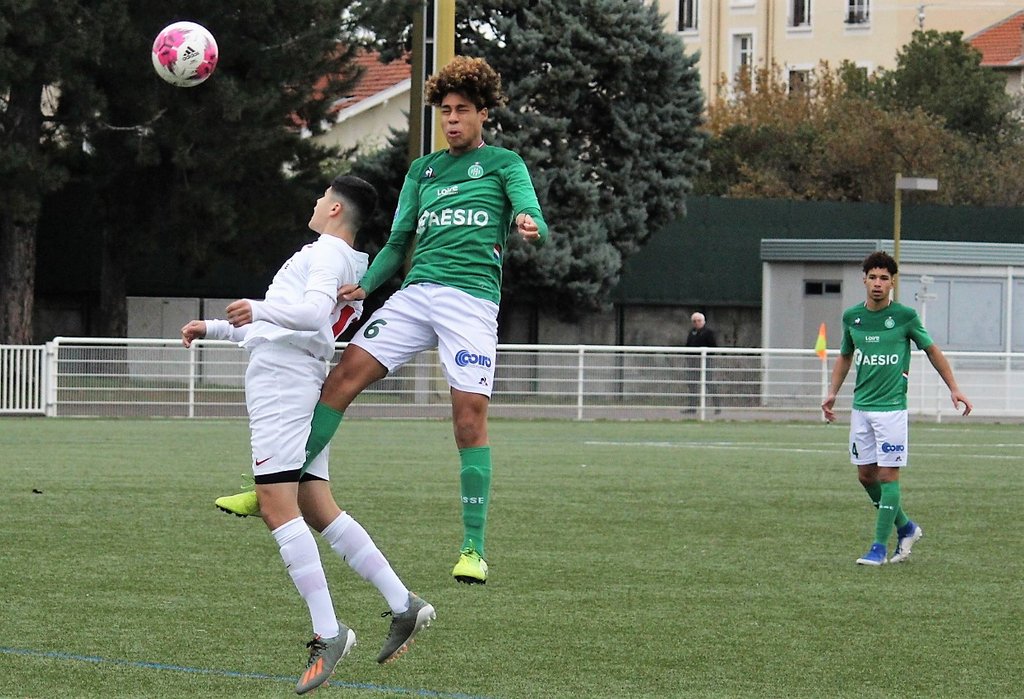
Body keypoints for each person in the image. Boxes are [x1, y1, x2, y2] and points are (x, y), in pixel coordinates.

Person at [215, 55, 549, 585]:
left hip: (471, 302)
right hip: (416, 295)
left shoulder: (505, 165)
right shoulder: (424, 172)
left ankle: (474, 549)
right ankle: (269, 488)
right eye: (446, 111)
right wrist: (367, 286)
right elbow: (398, 244)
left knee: (468, 418)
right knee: (342, 377)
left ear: (483, 113)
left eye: (463, 110)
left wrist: (530, 222)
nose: (453, 119)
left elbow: (532, 211)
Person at [181, 175, 434, 694]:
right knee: (317, 506)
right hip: (294, 374)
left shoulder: (326, 254)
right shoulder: (339, 262)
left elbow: (308, 316)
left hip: (282, 383)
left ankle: (328, 631)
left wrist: (259, 308)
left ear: (336, 208)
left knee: (276, 504)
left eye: (322, 197)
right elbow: (292, 325)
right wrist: (216, 328)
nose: (316, 202)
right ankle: (403, 603)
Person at [821, 251, 972, 566]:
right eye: (873, 277)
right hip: (861, 408)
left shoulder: (905, 317)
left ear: (892, 283)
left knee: (888, 476)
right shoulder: (852, 317)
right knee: (866, 476)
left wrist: (954, 388)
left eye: (884, 278)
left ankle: (878, 546)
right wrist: (832, 392)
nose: (878, 283)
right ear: (864, 280)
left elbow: (932, 350)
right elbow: (845, 356)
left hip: (891, 410)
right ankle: (906, 527)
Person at [684, 312, 717, 412]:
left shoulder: (708, 332)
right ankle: (692, 407)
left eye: (699, 321)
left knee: (708, 384)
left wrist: (706, 358)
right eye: (694, 321)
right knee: (692, 384)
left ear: (703, 321)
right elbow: (688, 346)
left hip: (705, 362)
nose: (696, 323)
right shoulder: (691, 332)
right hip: (693, 363)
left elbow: (713, 347)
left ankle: (717, 406)